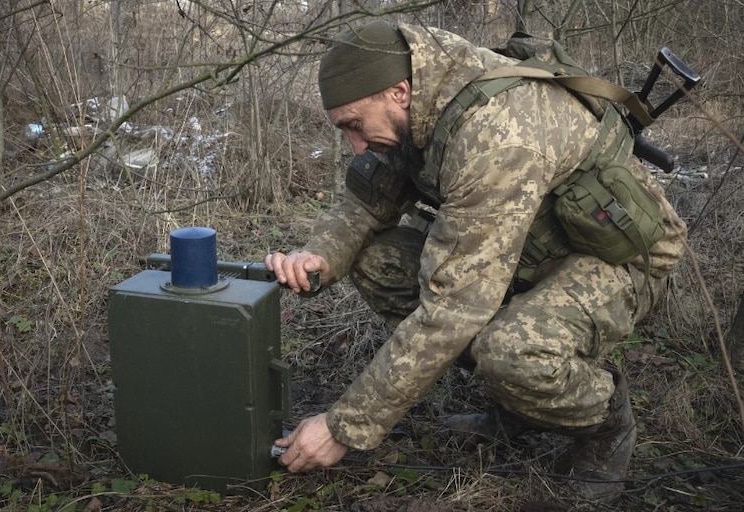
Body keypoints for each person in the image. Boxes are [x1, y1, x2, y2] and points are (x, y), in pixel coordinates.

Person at [265, 19, 687, 502]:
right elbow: (364, 203)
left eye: (355, 126)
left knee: (511, 351)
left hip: (619, 258)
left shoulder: (496, 137)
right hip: (529, 247)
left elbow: (453, 311)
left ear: (399, 93)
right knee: (375, 260)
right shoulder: (419, 99)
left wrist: (343, 427)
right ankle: (516, 405)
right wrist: (319, 254)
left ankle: (606, 423)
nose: (355, 146)